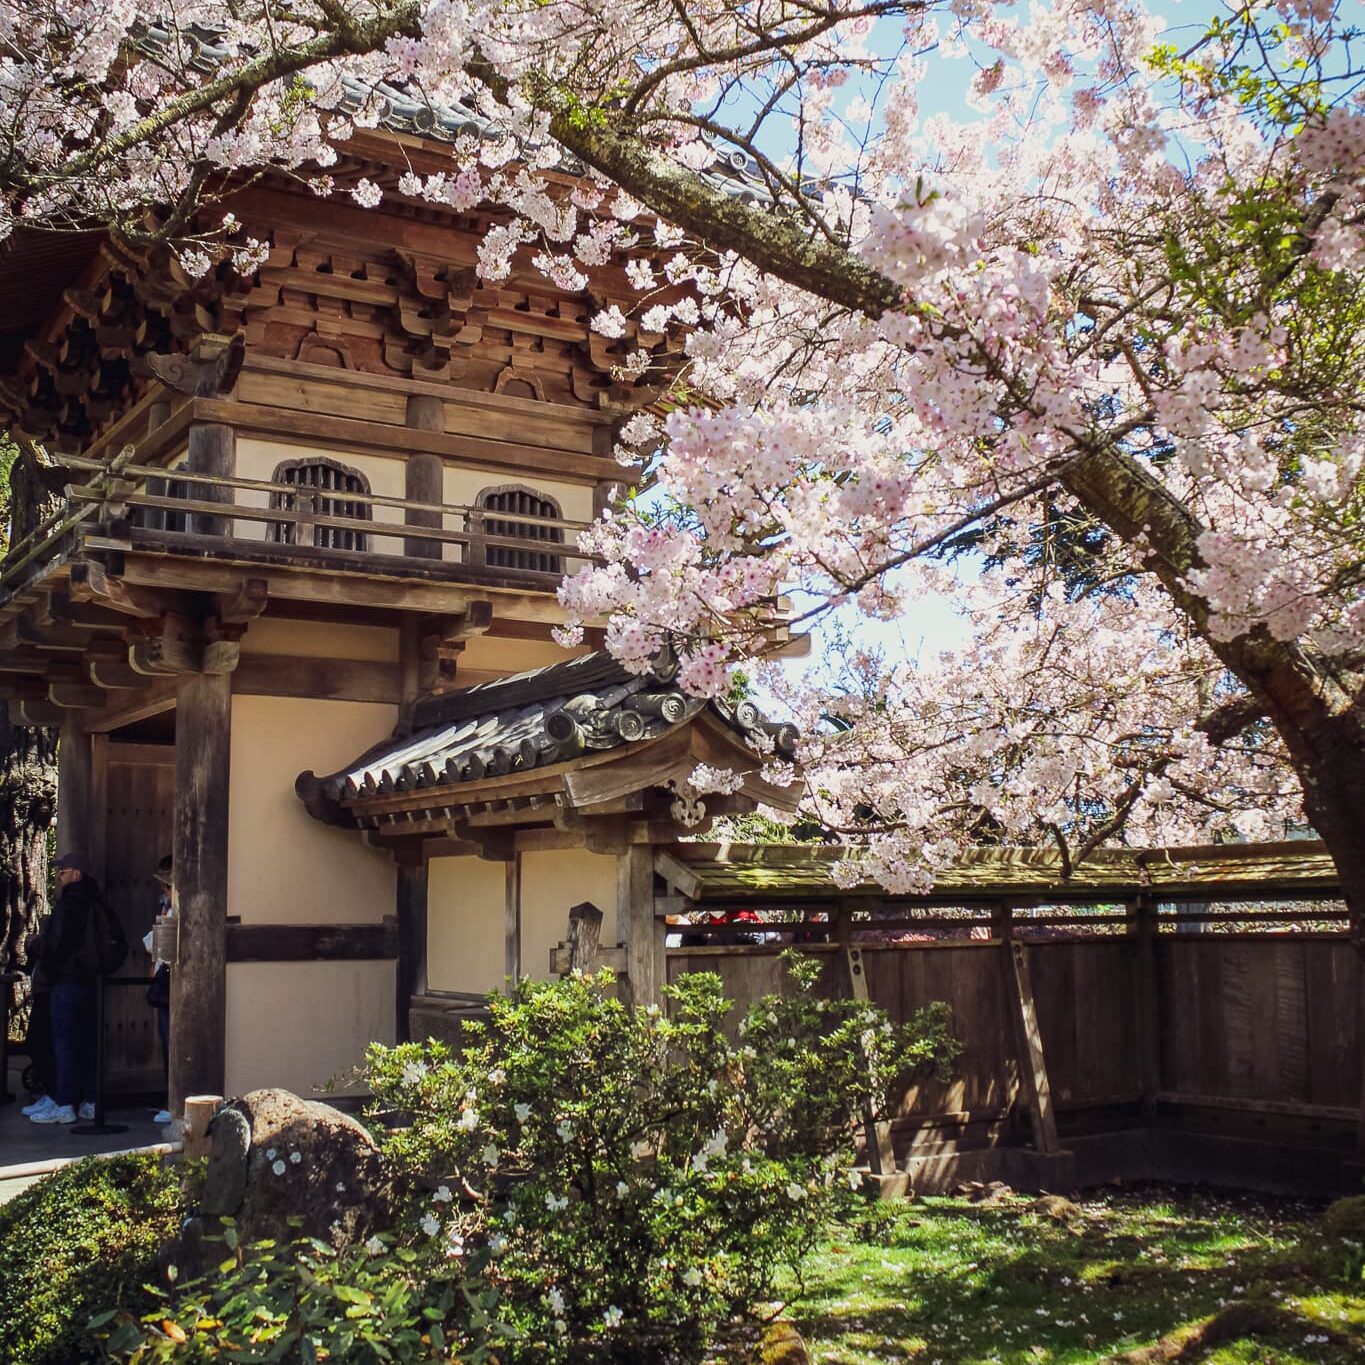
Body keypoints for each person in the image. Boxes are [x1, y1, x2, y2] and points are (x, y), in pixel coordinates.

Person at [30, 852, 102, 1124]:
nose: (59, 876)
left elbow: (56, 945)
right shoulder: (95, 901)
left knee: (63, 1045)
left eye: (64, 871)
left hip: (67, 980)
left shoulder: (67, 904)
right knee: (87, 1043)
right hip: (90, 980)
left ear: (77, 874)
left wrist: (37, 945)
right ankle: (91, 1101)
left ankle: (64, 1104)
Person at [143, 854, 173, 1125]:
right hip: (168, 980)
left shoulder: (173, 912)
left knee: (171, 1042)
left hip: (172, 982)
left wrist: (163, 917)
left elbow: (155, 945)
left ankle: (174, 1100)